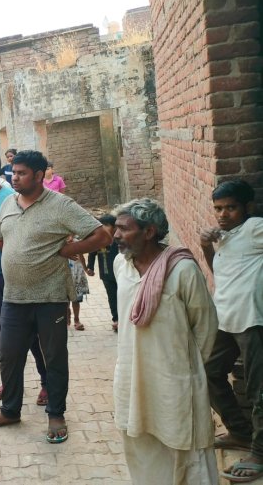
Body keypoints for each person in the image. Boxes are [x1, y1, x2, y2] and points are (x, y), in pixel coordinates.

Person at [0, 150, 112, 444]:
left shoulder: (61, 205)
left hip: (50, 298)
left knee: (54, 358)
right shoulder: (8, 204)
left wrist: (68, 251)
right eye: (13, 172)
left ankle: (56, 414)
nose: (15, 177)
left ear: (39, 176)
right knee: (10, 355)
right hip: (14, 297)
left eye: (22, 173)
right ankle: (10, 410)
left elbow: (102, 236)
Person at [112, 198, 219, 484]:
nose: (116, 235)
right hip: (132, 375)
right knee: (140, 442)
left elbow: (205, 327)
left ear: (149, 232)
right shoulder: (121, 266)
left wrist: (186, 368)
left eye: (124, 229)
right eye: (116, 228)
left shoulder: (182, 270)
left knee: (184, 441)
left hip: (175, 378)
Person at [0, 151, 48, 405]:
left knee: (31, 333)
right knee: (2, 332)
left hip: (15, 273)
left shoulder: (13, 199)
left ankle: (46, 383)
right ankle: (10, 382)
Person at [200, 180, 263, 483]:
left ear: (247, 208)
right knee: (208, 372)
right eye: (218, 208)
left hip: (253, 320)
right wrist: (205, 246)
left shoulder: (254, 228)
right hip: (225, 320)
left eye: (231, 208)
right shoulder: (224, 236)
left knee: (258, 386)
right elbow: (219, 273)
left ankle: (260, 452)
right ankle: (240, 431)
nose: (223, 214)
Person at [86, 214, 119, 332]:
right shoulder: (99, 240)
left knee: (122, 296)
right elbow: (92, 252)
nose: (103, 228)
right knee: (112, 297)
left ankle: (126, 320)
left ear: (115, 227)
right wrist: (90, 267)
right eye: (102, 226)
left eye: (106, 226)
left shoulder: (120, 240)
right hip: (106, 274)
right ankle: (116, 319)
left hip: (120, 275)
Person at [68, 242, 88, 330]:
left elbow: (81, 257)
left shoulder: (77, 241)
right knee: (64, 298)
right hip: (65, 271)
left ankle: (76, 320)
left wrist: (86, 269)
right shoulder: (60, 238)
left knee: (76, 298)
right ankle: (66, 318)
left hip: (77, 272)